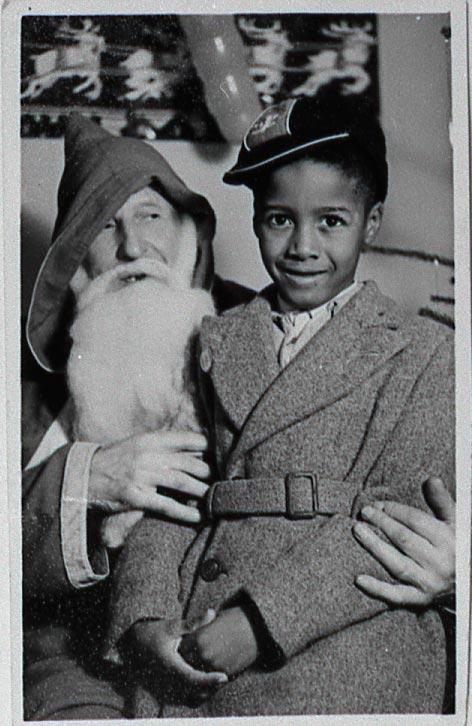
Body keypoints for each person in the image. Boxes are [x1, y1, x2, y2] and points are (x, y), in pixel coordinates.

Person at [22, 112, 455, 721]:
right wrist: (144, 623)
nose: (303, 247)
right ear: (254, 222)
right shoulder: (215, 340)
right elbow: (175, 503)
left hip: (340, 648)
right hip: (184, 647)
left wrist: (254, 623)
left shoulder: (426, 353)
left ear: (370, 223)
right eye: (280, 220)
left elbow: (404, 517)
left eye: (331, 222)